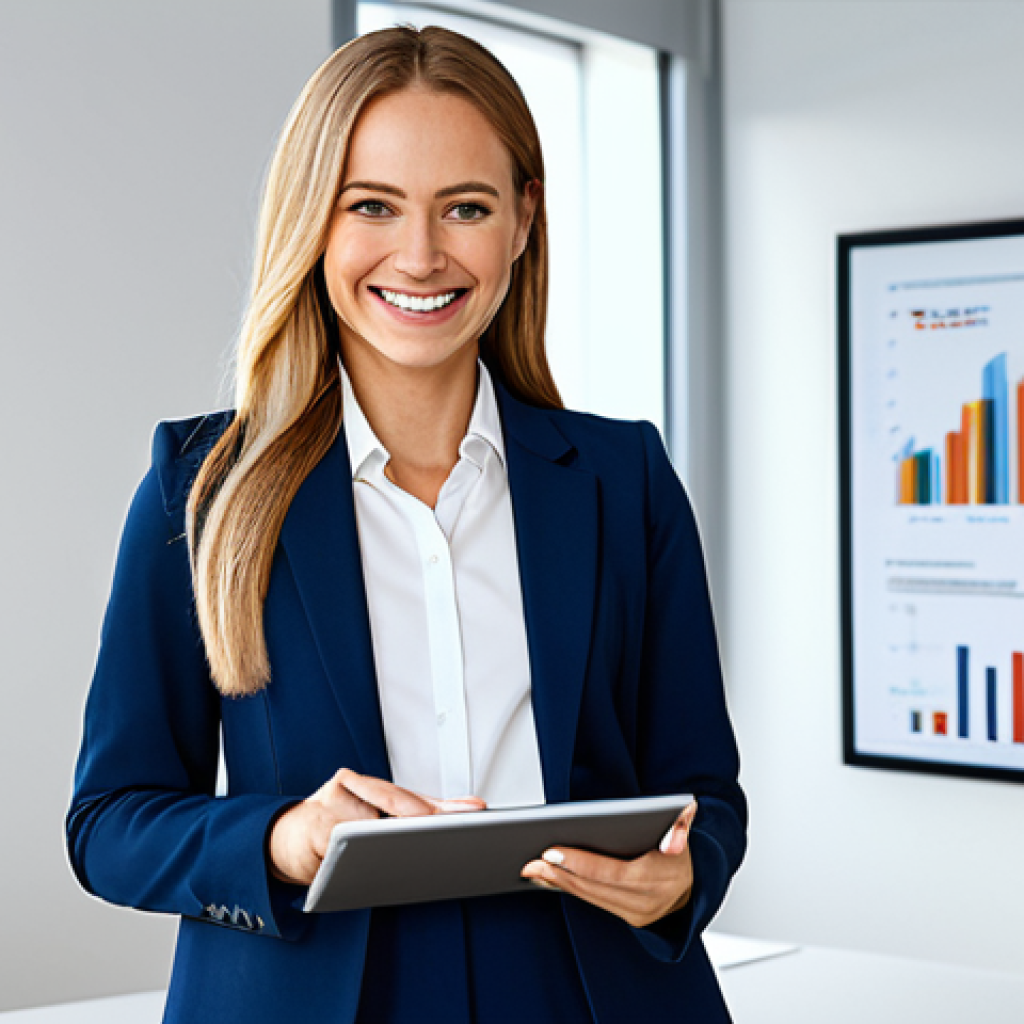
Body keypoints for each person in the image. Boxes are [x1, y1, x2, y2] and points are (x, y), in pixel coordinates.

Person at [66, 24, 746, 1024]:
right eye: (372, 206)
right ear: (313, 219)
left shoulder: (625, 480)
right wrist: (284, 840)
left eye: (465, 207)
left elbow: (703, 790)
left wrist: (682, 877)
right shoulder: (201, 489)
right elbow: (110, 822)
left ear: (523, 219)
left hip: (585, 991)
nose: (421, 256)